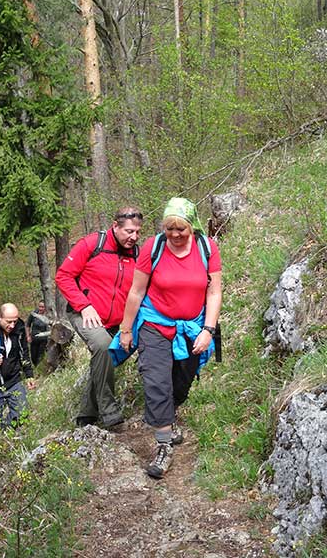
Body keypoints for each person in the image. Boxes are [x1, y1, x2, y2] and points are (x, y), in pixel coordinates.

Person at [112, 198, 222, 479]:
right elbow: (136, 292)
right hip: (154, 324)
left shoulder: (207, 248)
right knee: (156, 381)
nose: (174, 234)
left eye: (180, 229)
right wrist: (126, 330)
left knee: (181, 384)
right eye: (169, 228)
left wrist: (208, 330)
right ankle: (163, 444)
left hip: (192, 326)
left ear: (192, 226)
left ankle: (169, 417)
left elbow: (214, 292)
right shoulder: (153, 246)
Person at [55, 207, 143, 428]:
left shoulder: (138, 255)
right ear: (115, 226)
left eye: (138, 232)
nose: (134, 237)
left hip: (118, 322)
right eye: (129, 231)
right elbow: (63, 276)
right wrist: (84, 306)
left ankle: (87, 415)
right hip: (83, 313)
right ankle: (109, 411)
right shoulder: (92, 244)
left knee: (107, 357)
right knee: (103, 346)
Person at [25, 301, 50, 367]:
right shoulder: (33, 314)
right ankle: (35, 366)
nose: (41, 308)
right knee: (33, 356)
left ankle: (39, 368)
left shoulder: (48, 315)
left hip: (44, 339)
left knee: (40, 356)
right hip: (34, 338)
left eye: (43, 307)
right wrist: (28, 336)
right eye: (40, 306)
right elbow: (28, 325)